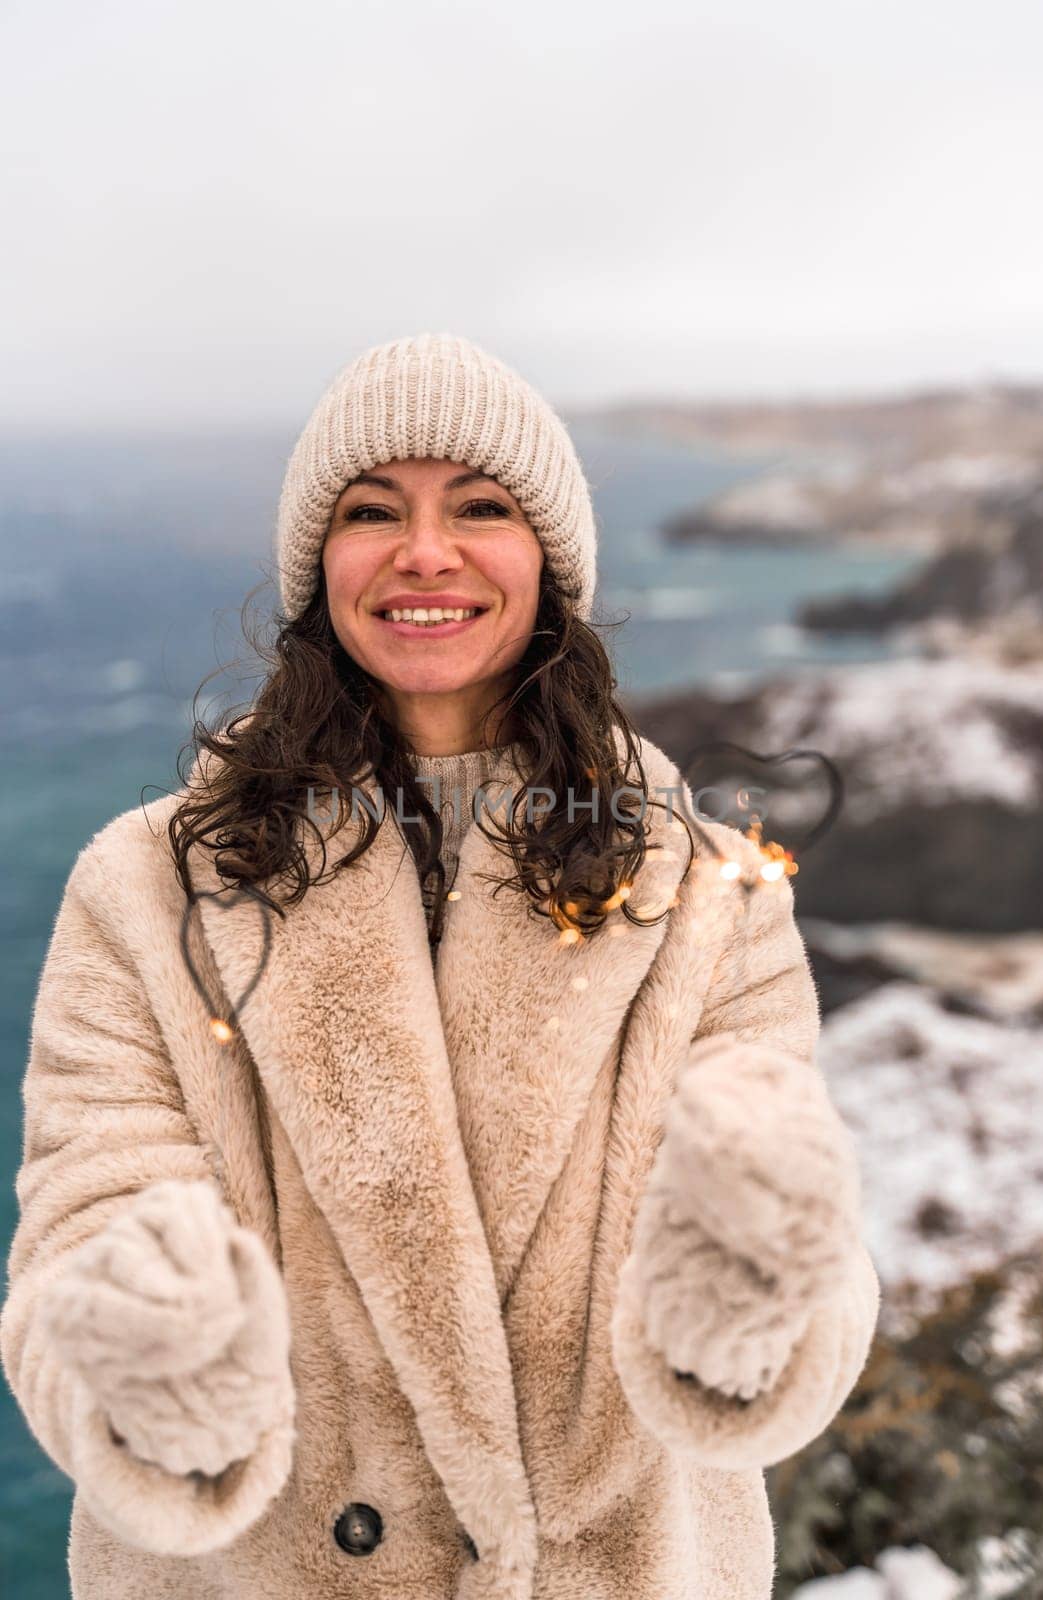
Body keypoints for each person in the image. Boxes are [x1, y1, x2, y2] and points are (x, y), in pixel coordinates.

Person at [0, 332, 881, 1600]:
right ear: (320, 566)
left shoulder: (708, 893)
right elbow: (85, 1213)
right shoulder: (143, 887)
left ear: (549, 564)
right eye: (373, 511)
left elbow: (798, 1244)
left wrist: (742, 1303)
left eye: (480, 506)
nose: (425, 552)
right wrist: (154, 1367)